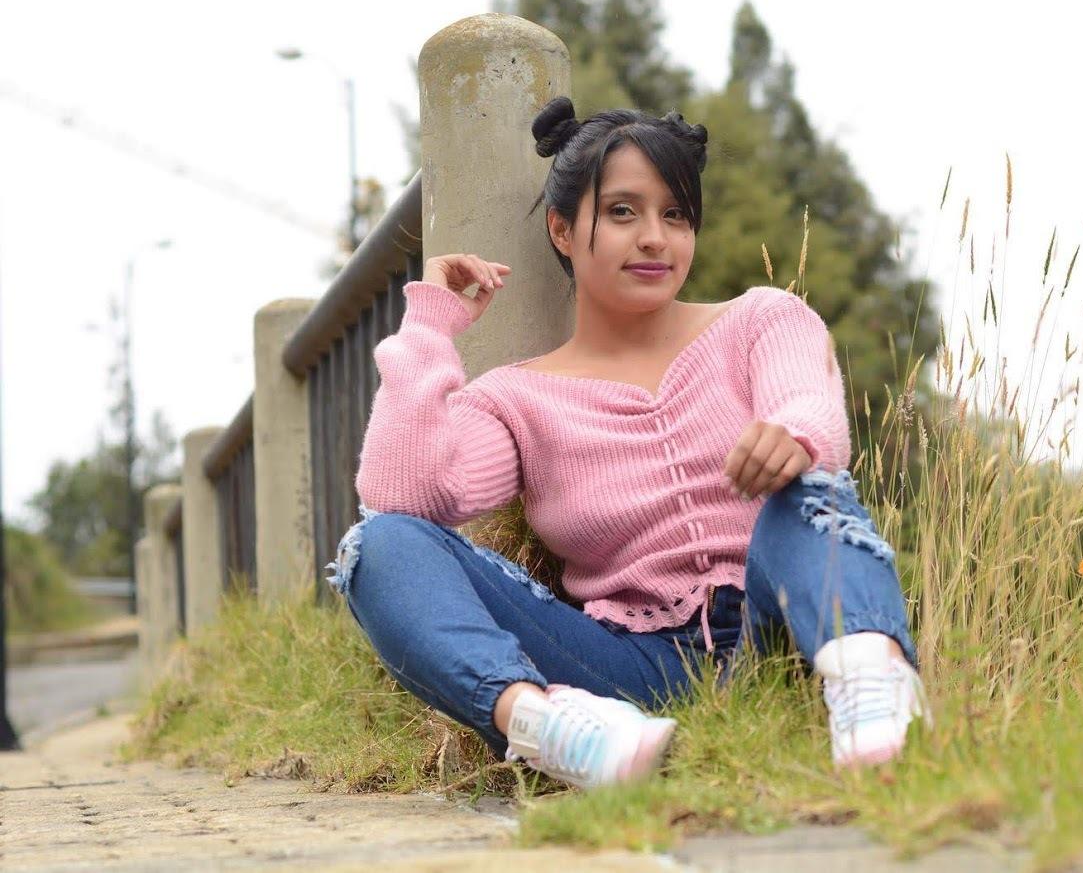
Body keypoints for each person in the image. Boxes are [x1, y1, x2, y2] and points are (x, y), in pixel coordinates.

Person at [326, 95, 928, 790]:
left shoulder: (761, 320)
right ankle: (553, 730)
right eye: (622, 212)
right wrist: (430, 326)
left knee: (808, 482)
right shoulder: (518, 398)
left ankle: (873, 689)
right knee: (377, 545)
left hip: (780, 629)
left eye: (675, 215)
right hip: (628, 667)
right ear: (561, 229)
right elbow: (401, 495)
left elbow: (808, 407)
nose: (654, 238)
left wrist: (792, 436)